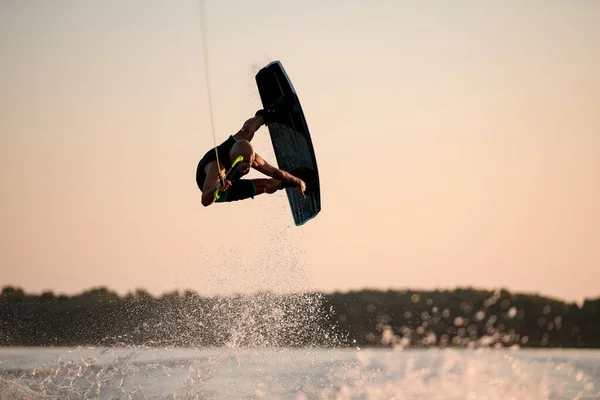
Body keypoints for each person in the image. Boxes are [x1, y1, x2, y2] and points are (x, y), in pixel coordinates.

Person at [195, 103, 306, 207]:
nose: (248, 166)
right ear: (234, 157)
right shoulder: (218, 168)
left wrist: (297, 181)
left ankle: (268, 114)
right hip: (213, 187)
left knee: (248, 130)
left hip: (232, 158)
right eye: (245, 163)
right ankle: (284, 184)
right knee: (266, 186)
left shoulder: (251, 158)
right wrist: (216, 187)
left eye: (250, 162)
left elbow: (274, 172)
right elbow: (204, 201)